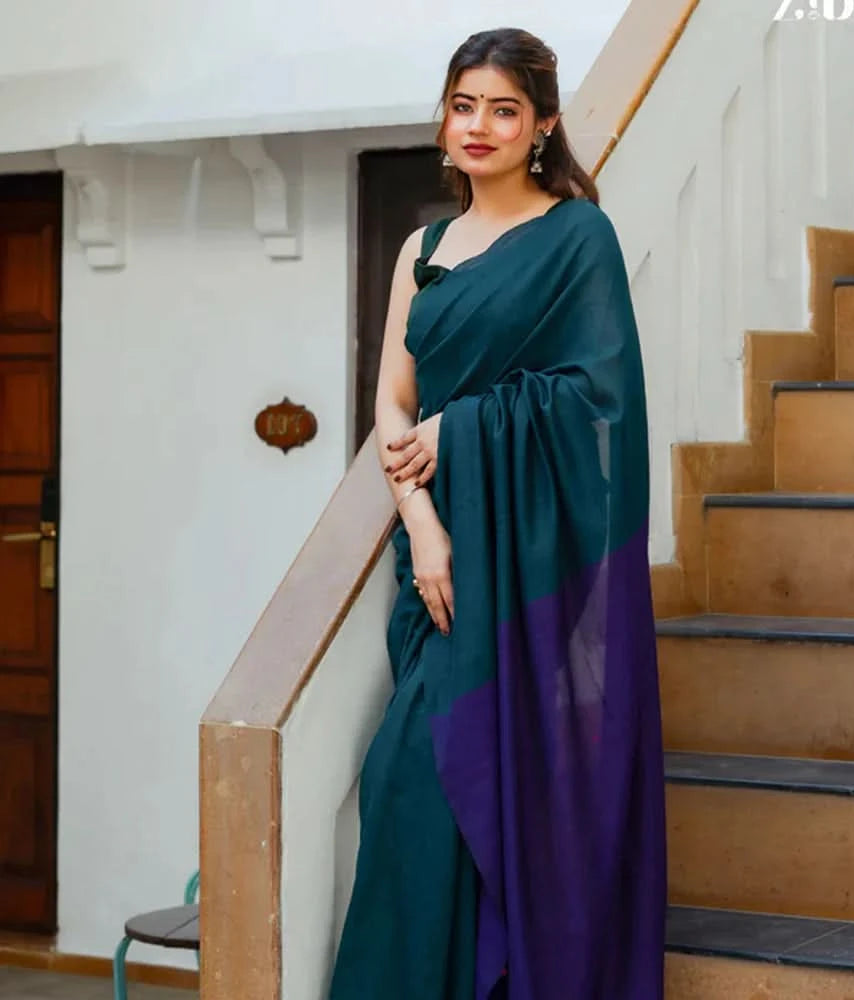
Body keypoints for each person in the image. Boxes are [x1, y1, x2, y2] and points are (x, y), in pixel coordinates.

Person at [328, 27, 665, 1000]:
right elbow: (393, 399)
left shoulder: (575, 238)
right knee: (410, 785)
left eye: (503, 109)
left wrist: (465, 430)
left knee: (524, 798)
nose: (479, 126)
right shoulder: (423, 249)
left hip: (535, 564)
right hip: (441, 558)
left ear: (543, 125)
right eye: (464, 104)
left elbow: (597, 406)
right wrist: (420, 519)